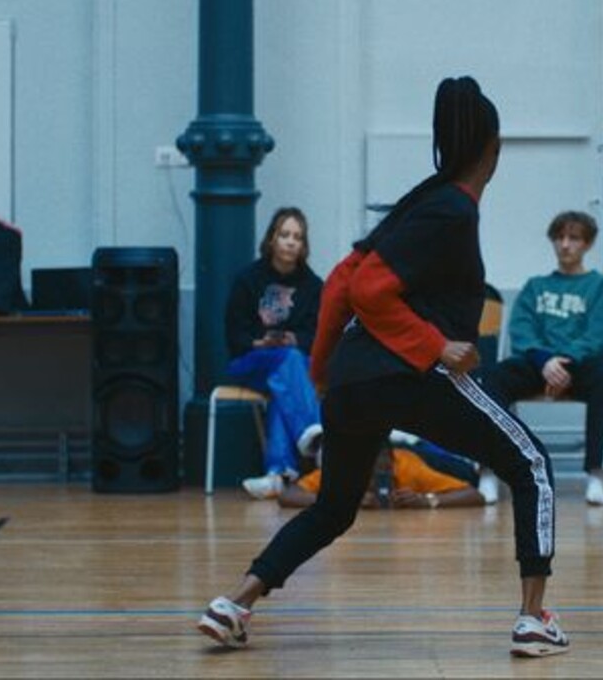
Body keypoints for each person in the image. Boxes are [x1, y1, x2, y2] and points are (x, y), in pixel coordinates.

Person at [197, 76, 568, 658]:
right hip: (408, 374)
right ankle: (533, 619)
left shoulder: (421, 201)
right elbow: (368, 286)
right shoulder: (450, 210)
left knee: (334, 509)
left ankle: (235, 603)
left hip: (355, 380)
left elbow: (343, 280)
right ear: (493, 150)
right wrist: (436, 346)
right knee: (531, 463)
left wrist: (324, 371)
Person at [482, 211, 603, 506]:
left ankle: (597, 474)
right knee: (491, 378)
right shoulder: (535, 286)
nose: (565, 245)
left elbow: (599, 335)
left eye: (574, 238)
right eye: (559, 238)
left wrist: (563, 361)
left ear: (588, 244)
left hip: (578, 367)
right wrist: (545, 361)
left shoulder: (601, 286)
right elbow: (521, 330)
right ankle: (489, 470)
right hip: (539, 364)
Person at [224, 207, 324, 500]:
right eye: (284, 235)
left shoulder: (314, 286)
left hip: (292, 368)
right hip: (251, 362)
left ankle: (278, 473)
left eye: (298, 237)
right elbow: (233, 336)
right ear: (271, 240)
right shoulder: (247, 279)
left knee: (286, 380)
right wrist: (260, 343)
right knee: (289, 365)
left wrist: (292, 338)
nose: (291, 242)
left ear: (304, 246)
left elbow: (318, 336)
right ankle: (316, 439)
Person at [277, 444, 485, 510]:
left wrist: (427, 500)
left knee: (466, 470)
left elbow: (475, 495)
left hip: (424, 456)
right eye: (370, 473)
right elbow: (287, 496)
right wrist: (343, 501)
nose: (379, 478)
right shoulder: (345, 468)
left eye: (384, 471)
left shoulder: (407, 468)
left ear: (392, 460)